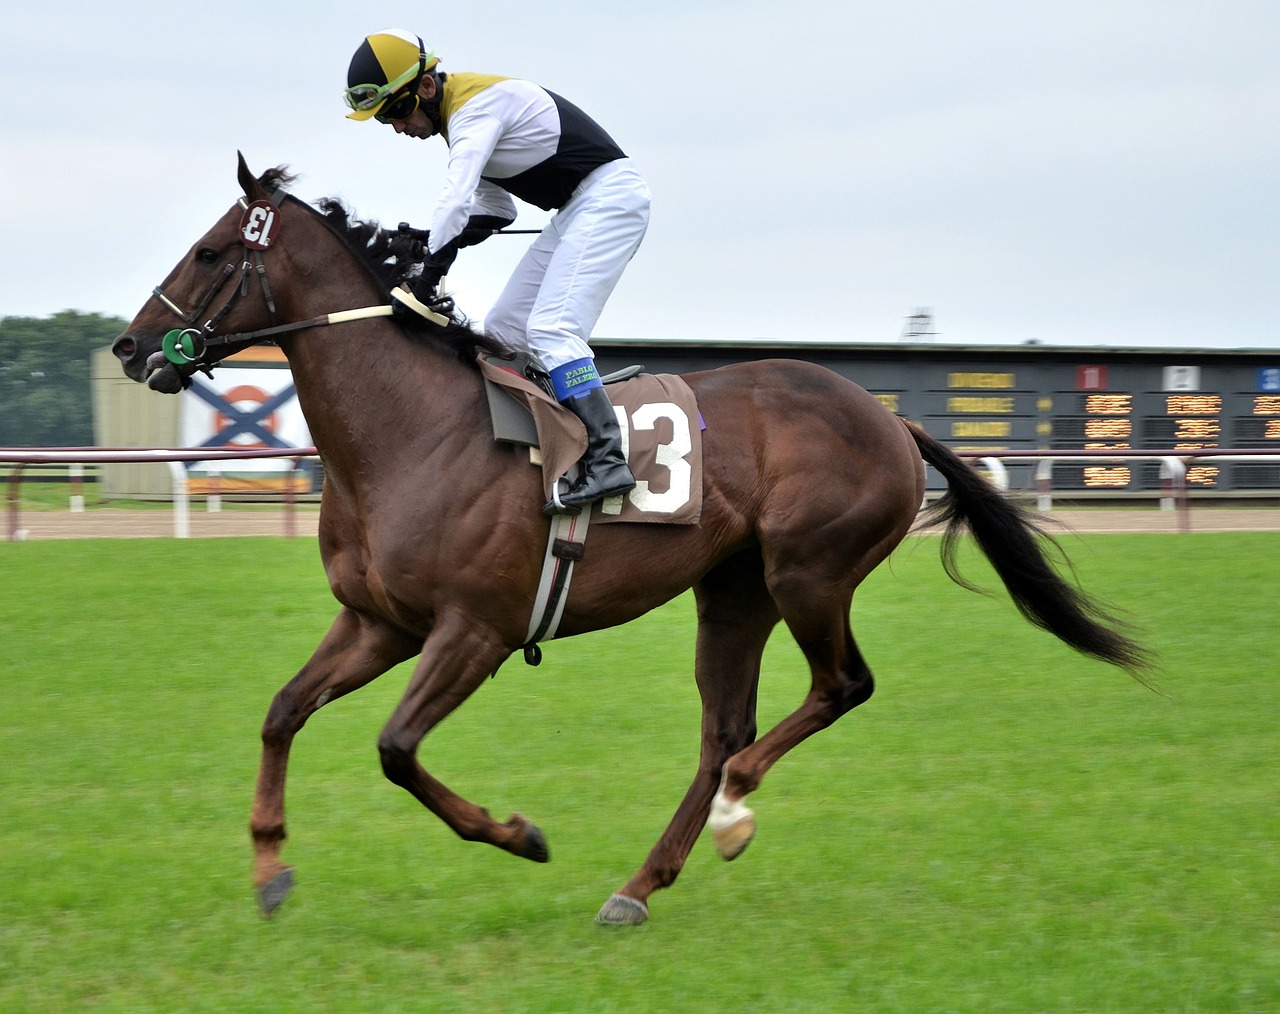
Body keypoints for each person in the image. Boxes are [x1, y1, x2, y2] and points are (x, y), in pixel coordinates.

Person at [344, 28, 651, 515]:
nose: (395, 127)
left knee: (552, 329)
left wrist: (425, 283)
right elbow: (495, 212)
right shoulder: (458, 123)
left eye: (395, 111)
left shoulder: (474, 110)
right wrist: (429, 239)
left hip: (610, 198)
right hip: (577, 208)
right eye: (383, 118)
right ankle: (553, 438)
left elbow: (456, 199)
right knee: (506, 328)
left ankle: (608, 460)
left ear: (425, 88)